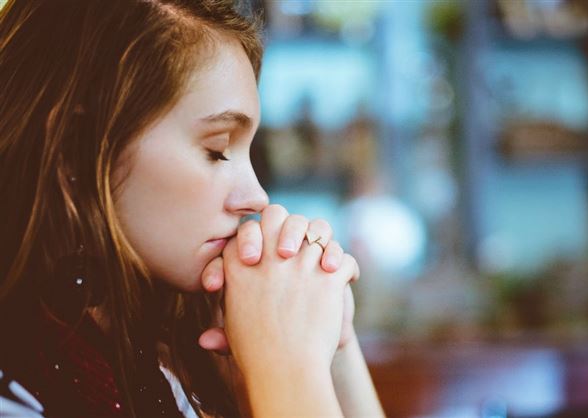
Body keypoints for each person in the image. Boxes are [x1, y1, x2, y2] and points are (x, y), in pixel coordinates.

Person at [0, 0, 384, 416]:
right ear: (77, 148)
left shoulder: (173, 354)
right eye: (218, 150)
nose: (256, 197)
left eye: (248, 151)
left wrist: (333, 346)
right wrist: (287, 365)